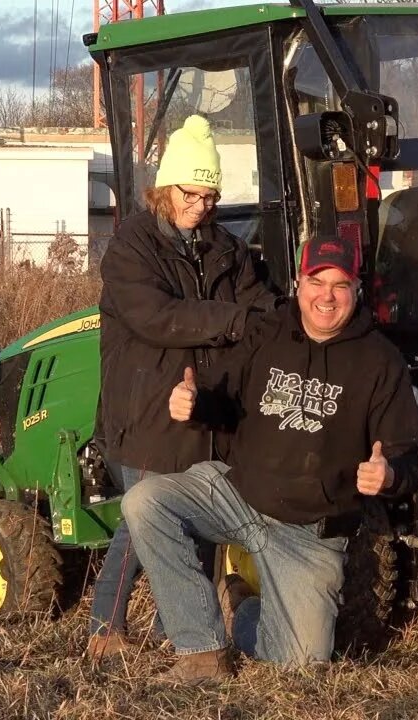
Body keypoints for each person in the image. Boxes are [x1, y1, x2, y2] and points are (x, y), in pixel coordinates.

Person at [121, 233, 418, 685]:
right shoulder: (267, 333)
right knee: (145, 501)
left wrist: (389, 474)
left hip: (310, 533)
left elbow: (409, 459)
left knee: (299, 666)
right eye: (316, 282)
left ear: (356, 291)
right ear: (298, 284)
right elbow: (221, 397)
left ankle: (242, 609)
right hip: (238, 494)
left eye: (340, 285)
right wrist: (195, 404)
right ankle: (201, 651)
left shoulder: (380, 363)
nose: (327, 296)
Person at [90, 114, 277, 659]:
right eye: (190, 194)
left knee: (197, 520)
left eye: (210, 196)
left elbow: (261, 306)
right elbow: (157, 317)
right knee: (138, 525)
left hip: (206, 408)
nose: (200, 206)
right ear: (164, 187)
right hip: (147, 409)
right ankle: (104, 630)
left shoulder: (226, 248)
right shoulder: (131, 248)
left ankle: (193, 627)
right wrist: (234, 321)